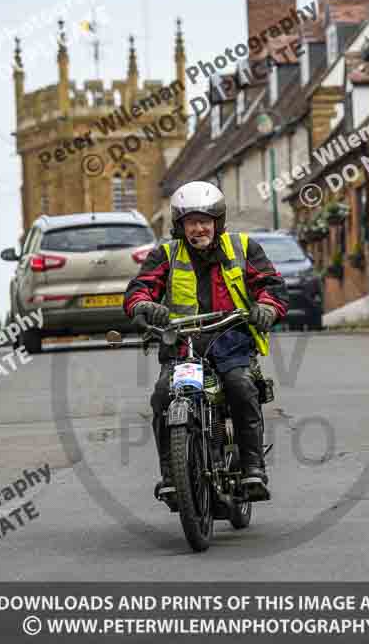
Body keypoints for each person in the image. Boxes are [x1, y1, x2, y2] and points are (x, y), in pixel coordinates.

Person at [123, 180, 288, 502]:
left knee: (241, 387)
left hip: (231, 341)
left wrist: (267, 307)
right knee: (162, 396)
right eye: (190, 222)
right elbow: (139, 288)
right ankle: (171, 477)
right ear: (180, 226)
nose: (198, 229)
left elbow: (271, 285)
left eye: (204, 221)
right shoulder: (166, 254)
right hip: (183, 346)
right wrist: (144, 305)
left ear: (218, 222)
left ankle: (253, 467)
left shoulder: (243, 248)